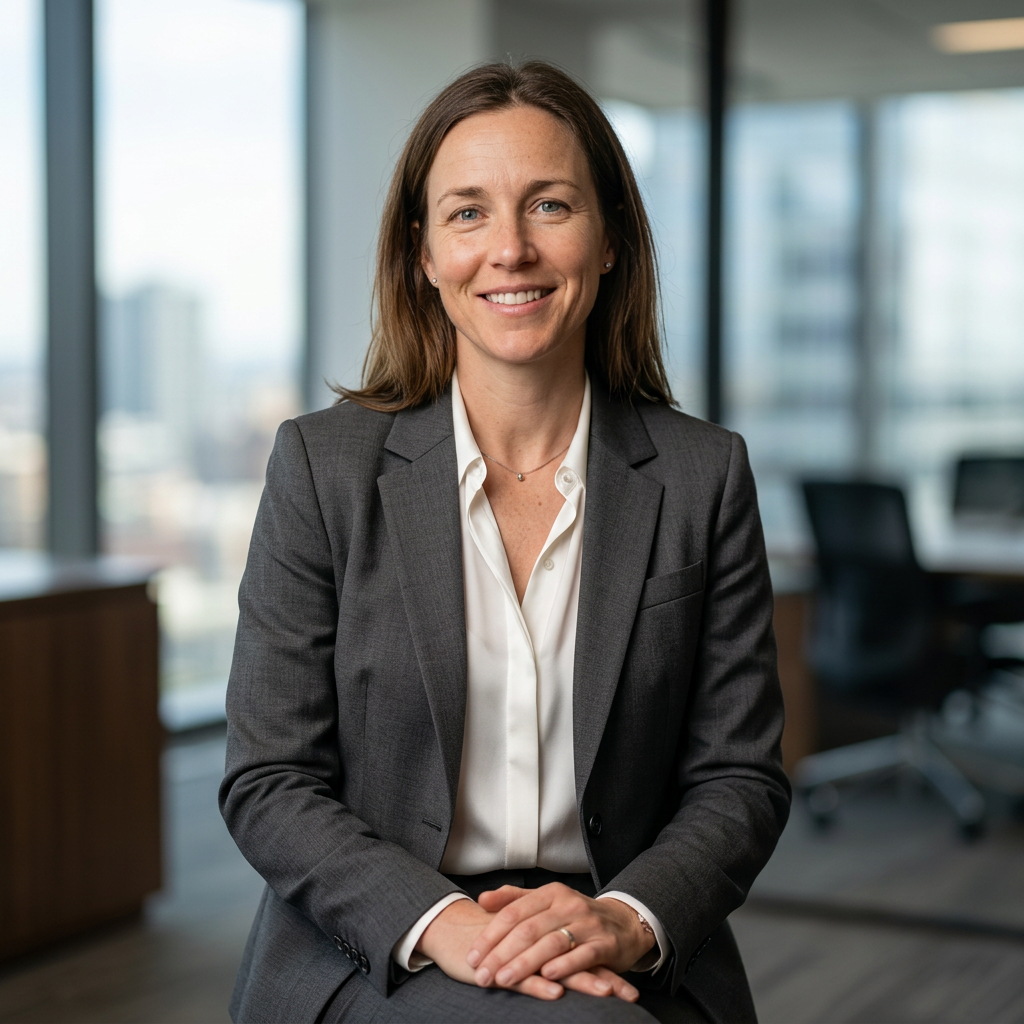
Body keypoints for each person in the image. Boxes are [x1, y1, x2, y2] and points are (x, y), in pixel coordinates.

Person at [220, 60, 790, 1024]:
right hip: (382, 943)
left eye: (551, 206)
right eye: (469, 213)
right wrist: (446, 924)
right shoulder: (322, 469)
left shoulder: (704, 478)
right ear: (424, 253)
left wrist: (622, 919)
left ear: (608, 239)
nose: (511, 250)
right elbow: (269, 777)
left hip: (617, 940)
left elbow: (739, 777)